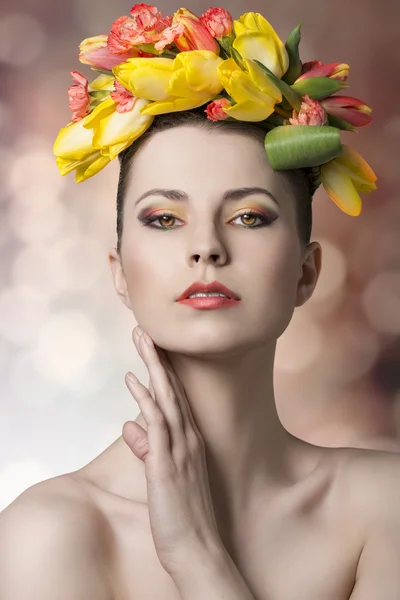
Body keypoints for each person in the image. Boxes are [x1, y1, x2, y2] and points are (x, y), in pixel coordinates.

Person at [1, 6, 400, 600]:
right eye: (165, 218)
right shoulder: (49, 534)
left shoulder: (385, 506)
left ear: (306, 271)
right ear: (118, 273)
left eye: (248, 217)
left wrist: (197, 557)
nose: (206, 249)